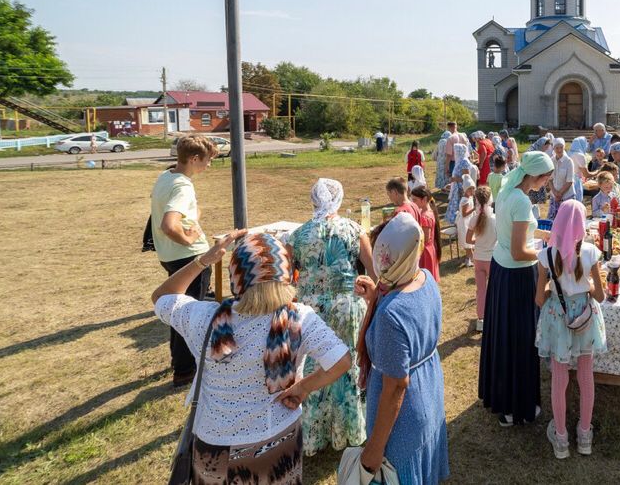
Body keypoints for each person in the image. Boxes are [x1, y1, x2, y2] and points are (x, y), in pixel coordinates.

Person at [153, 232, 352, 483]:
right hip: (276, 439)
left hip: (213, 444)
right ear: (286, 275)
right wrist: (303, 388)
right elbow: (342, 361)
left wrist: (204, 260)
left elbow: (161, 297)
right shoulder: (299, 317)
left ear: (236, 279)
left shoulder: (202, 316)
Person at [354, 213, 450, 484]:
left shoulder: (390, 316)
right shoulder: (426, 279)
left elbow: (395, 386)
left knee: (397, 472)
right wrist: (376, 297)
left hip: (403, 416)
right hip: (428, 391)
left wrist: (373, 449)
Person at [289, 178, 374, 454]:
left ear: (313, 200)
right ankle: (349, 431)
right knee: (347, 366)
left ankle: (315, 434)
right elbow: (374, 272)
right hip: (346, 307)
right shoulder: (353, 229)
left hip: (311, 311)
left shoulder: (298, 235)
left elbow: (285, 276)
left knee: (314, 367)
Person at [479, 150, 555, 426]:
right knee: (520, 341)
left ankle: (502, 398)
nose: (547, 183)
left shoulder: (507, 191)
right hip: (517, 276)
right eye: (547, 178)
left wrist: (541, 234)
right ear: (536, 175)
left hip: (501, 270)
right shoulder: (522, 201)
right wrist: (548, 252)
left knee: (503, 337)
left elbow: (515, 233)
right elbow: (520, 250)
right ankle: (516, 406)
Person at [534, 199, 607, 459]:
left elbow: (539, 299)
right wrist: (584, 286)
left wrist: (553, 289)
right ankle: (585, 434)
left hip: (557, 317)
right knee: (586, 374)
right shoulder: (590, 252)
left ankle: (561, 437)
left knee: (559, 375)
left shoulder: (546, 254)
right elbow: (599, 295)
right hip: (585, 317)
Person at [150, 134, 218, 387]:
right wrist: (188, 240)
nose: (209, 165)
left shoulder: (167, 176)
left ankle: (182, 364)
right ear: (194, 158)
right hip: (188, 259)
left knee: (177, 307)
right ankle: (186, 370)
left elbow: (174, 213)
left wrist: (195, 214)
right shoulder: (182, 186)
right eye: (208, 160)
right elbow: (169, 224)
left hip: (169, 257)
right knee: (188, 313)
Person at [466, 186, 497, 333]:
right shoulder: (495, 219)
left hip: (478, 258)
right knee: (494, 290)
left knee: (481, 290)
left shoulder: (474, 219)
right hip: (492, 259)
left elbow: (468, 239)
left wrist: (477, 242)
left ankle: (481, 320)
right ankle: (494, 316)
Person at [409, 186, 441, 283]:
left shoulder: (424, 217)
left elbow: (425, 238)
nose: (412, 203)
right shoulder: (429, 211)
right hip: (429, 250)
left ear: (424, 199)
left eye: (415, 200)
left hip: (425, 252)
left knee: (425, 279)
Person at [549, 138, 576, 220]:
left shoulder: (568, 161)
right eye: (557, 147)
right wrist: (555, 193)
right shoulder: (551, 160)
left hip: (567, 195)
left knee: (566, 221)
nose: (559, 149)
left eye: (561, 147)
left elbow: (569, 181)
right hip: (554, 195)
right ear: (553, 148)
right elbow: (550, 179)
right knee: (553, 221)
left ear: (564, 147)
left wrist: (559, 194)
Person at [446, 144, 472, 225]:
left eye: (456, 151)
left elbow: (466, 178)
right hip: (457, 188)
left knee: (460, 208)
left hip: (461, 190)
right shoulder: (460, 160)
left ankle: (460, 226)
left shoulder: (464, 161)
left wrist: (455, 179)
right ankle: (457, 225)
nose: (454, 153)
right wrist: (452, 183)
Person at [458, 176, 478, 268]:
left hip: (468, 222)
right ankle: (474, 261)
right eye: (470, 189)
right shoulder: (465, 200)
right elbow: (464, 214)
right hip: (465, 223)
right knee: (468, 244)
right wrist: (474, 208)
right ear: (466, 190)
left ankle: (468, 259)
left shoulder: (469, 198)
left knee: (469, 243)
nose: (473, 191)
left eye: (473, 188)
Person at [569, 136, 590, 202]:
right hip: (576, 182)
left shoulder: (568, 153)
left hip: (568, 181)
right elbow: (586, 174)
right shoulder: (580, 155)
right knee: (577, 202)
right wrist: (597, 172)